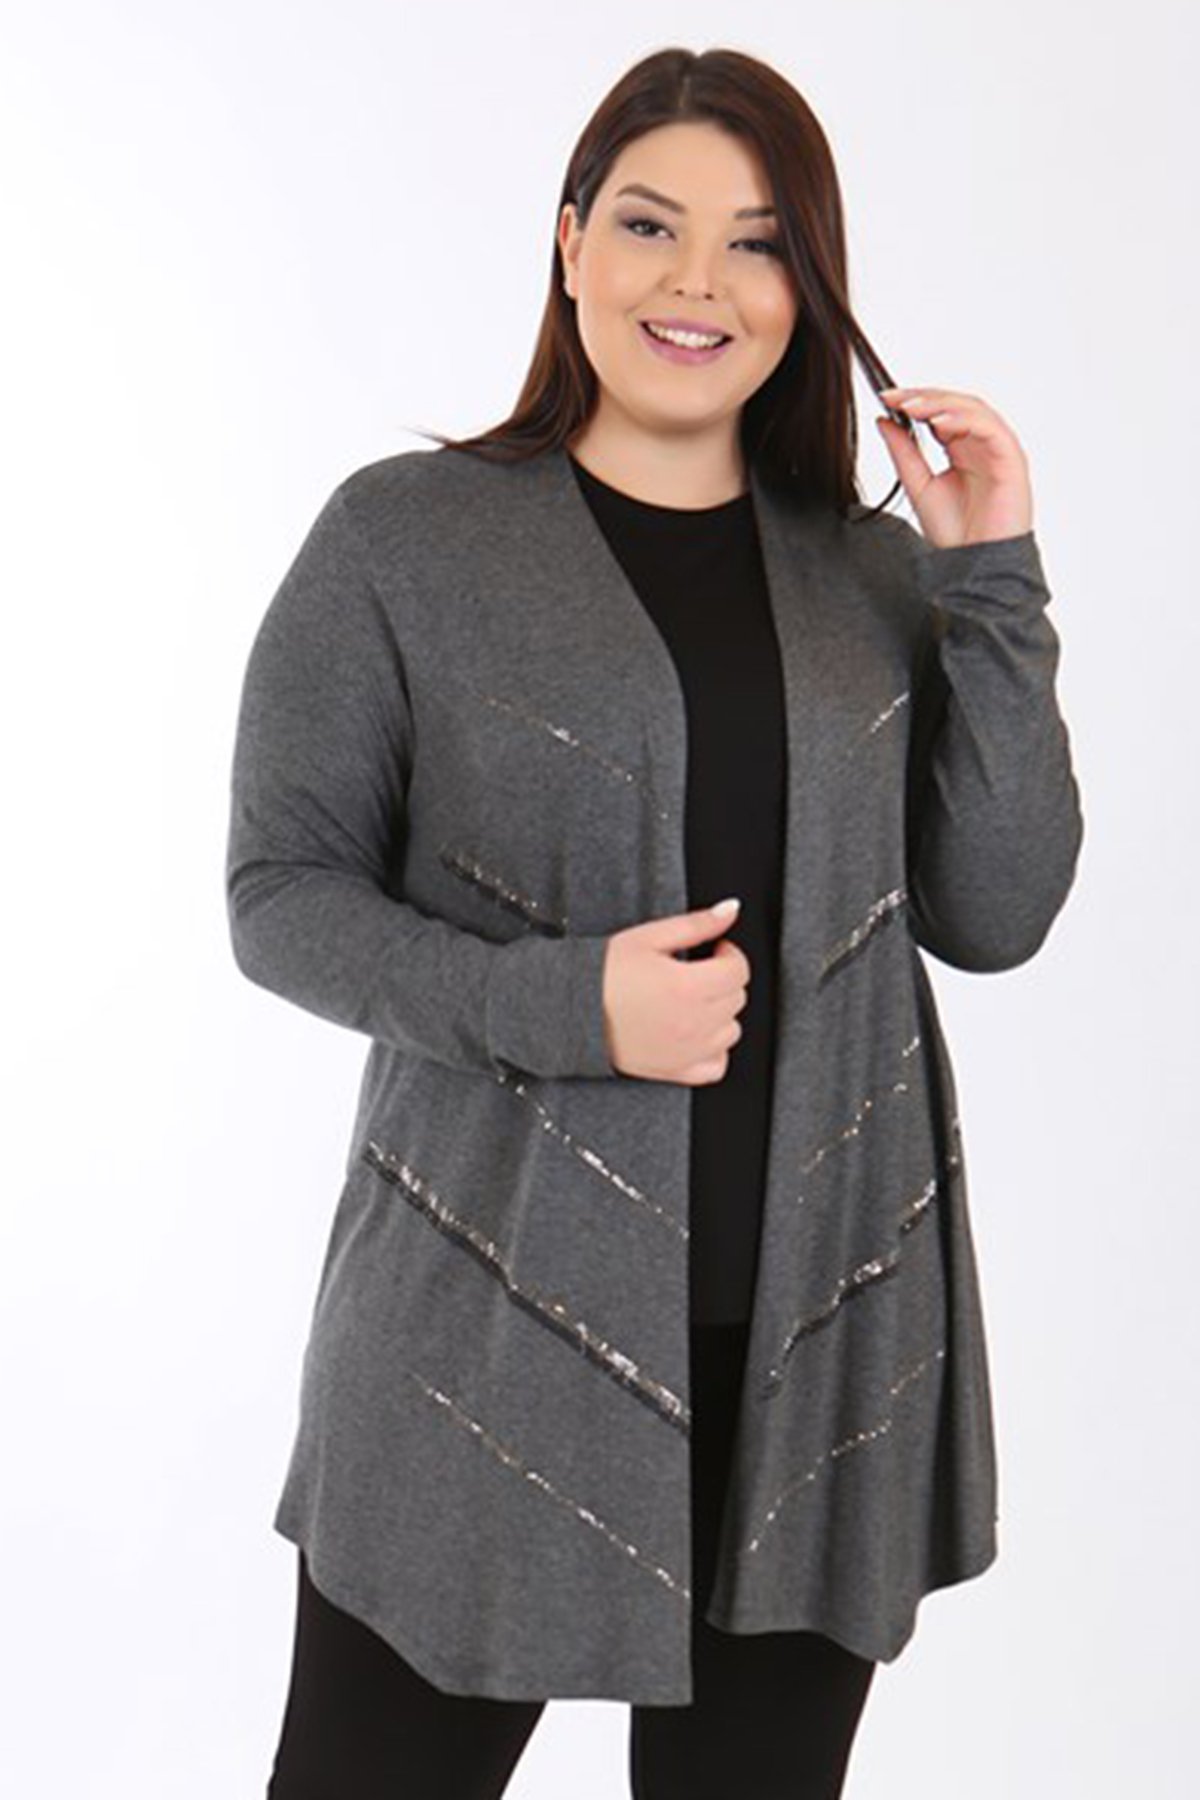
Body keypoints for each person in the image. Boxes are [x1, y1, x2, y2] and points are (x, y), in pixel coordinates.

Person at [227, 44, 1084, 1800]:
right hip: (479, 1353)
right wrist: (569, 1007)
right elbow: (280, 897)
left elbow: (996, 913)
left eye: (758, 243)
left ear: (808, 291)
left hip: (815, 1363)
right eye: (648, 224)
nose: (698, 282)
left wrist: (989, 578)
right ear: (568, 245)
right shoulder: (403, 543)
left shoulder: (870, 574)